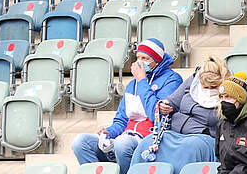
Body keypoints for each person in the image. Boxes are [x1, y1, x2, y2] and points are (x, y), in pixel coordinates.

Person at [73, 40, 183, 171]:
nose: (140, 62)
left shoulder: (172, 79)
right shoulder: (132, 84)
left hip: (152, 138)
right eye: (138, 58)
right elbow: (121, 120)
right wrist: (109, 131)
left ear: (157, 60)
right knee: (81, 142)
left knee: (122, 143)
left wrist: (142, 80)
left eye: (145, 58)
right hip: (127, 135)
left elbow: (157, 114)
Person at [130, 58, 230, 168]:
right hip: (175, 131)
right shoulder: (193, 81)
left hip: (204, 137)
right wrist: (164, 105)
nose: (209, 90)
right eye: (205, 87)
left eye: (213, 87)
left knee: (190, 146)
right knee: (148, 142)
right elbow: (172, 101)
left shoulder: (229, 93)